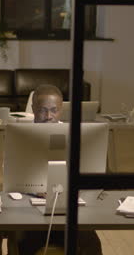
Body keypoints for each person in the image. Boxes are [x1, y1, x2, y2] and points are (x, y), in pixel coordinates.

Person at [15, 84, 103, 254]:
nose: (49, 116)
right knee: (26, 243)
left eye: (54, 110)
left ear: (61, 110)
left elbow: (89, 168)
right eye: (43, 110)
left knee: (91, 243)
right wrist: (36, 190)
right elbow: (13, 174)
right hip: (32, 208)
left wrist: (77, 187)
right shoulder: (21, 134)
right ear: (33, 109)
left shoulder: (74, 135)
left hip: (68, 207)